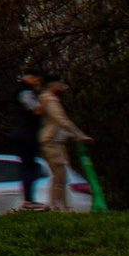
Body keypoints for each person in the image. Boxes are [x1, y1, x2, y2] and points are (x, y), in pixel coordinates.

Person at [37, 76, 91, 211]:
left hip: (57, 142)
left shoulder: (48, 99)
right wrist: (80, 135)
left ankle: (62, 205)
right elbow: (61, 120)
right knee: (59, 175)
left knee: (62, 176)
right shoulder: (50, 100)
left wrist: (73, 136)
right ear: (54, 85)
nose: (62, 88)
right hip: (52, 142)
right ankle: (55, 205)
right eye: (60, 85)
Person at [12, 71, 45, 209]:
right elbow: (36, 110)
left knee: (28, 166)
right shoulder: (25, 92)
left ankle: (29, 199)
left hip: (21, 131)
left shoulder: (18, 91)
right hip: (26, 133)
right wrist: (43, 98)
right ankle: (28, 200)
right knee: (29, 167)